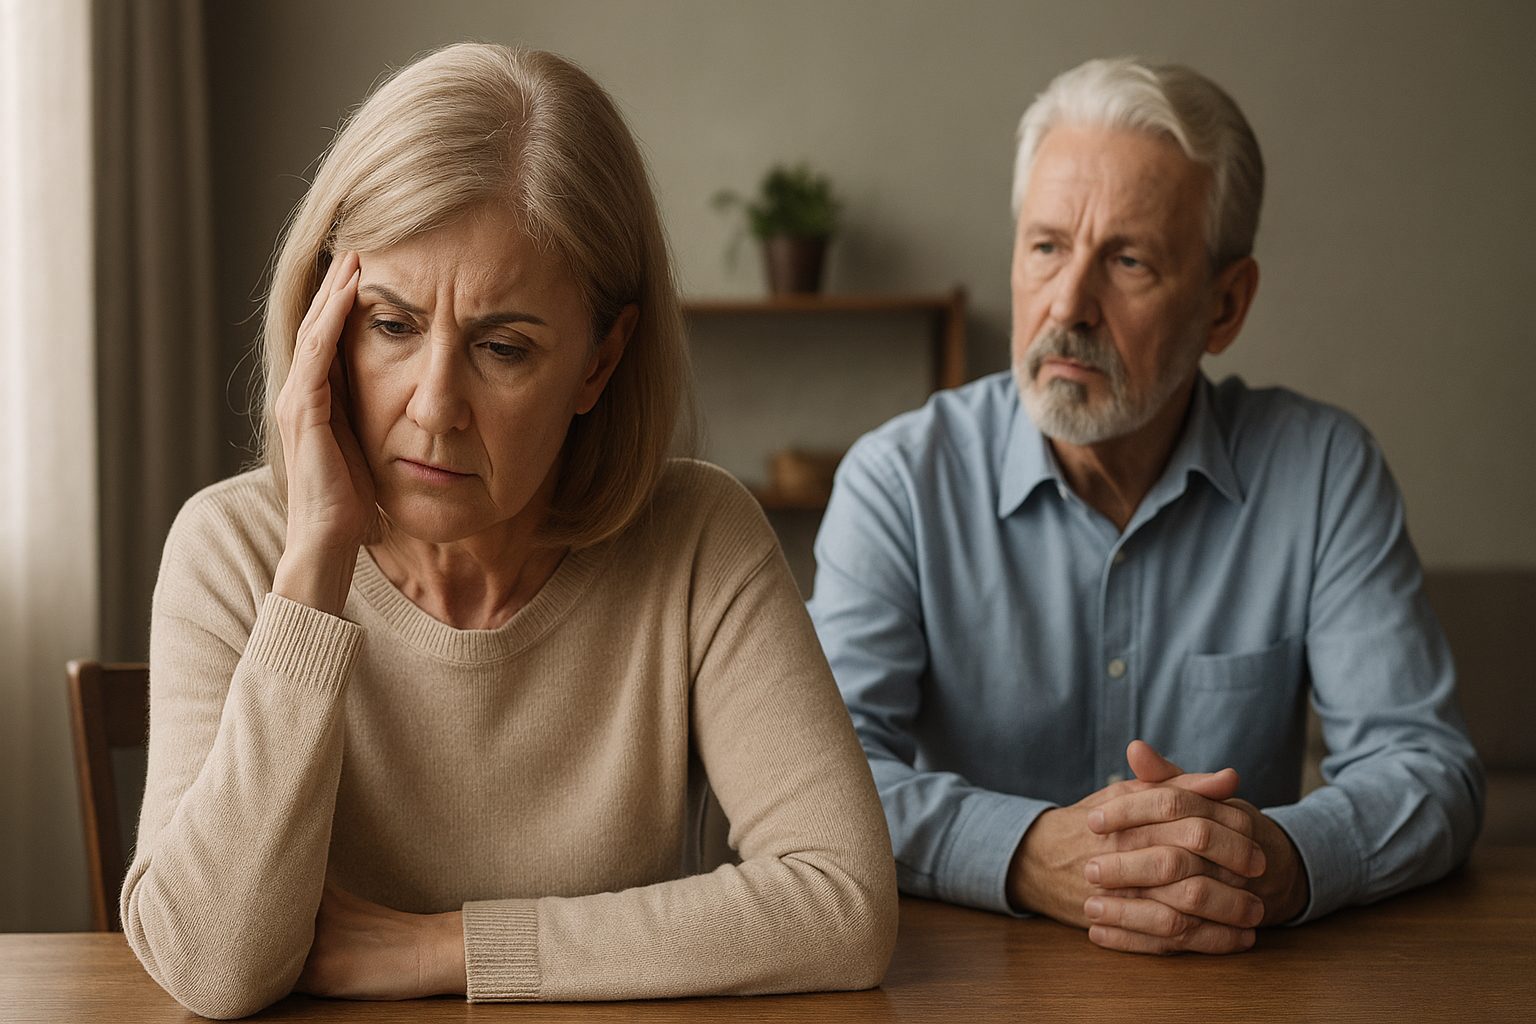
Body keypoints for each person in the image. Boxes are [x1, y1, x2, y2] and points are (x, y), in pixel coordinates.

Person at [122, 43, 895, 1018]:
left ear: (599, 363)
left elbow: (843, 901)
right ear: (325, 321)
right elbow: (212, 967)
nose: (435, 406)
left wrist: (449, 949)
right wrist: (315, 558)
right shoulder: (228, 550)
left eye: (502, 347)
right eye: (391, 325)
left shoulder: (701, 539)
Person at [808, 57, 1482, 955]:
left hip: (1238, 986)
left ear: (1225, 306)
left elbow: (1430, 770)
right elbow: (818, 779)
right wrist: (1024, 853)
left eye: (1128, 260)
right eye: (1047, 246)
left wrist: (1276, 858)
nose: (1069, 304)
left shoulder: (1322, 471)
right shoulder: (897, 480)